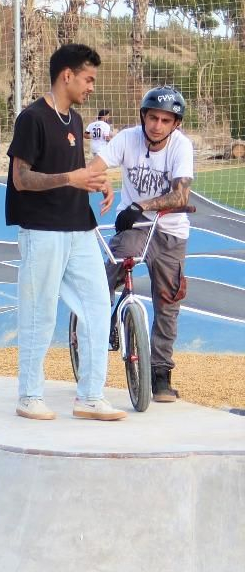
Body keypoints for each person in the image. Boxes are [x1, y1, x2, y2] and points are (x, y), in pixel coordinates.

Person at [4, 43, 124, 422]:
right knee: (39, 314)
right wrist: (72, 178)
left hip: (79, 228)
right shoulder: (32, 118)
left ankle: (90, 397)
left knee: (98, 307)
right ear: (67, 75)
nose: (91, 87)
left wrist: (96, 181)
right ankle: (29, 396)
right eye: (88, 79)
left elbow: (75, 173)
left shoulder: (74, 120)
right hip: (42, 232)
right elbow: (21, 179)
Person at [92, 86, 193, 403]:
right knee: (102, 281)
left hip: (170, 232)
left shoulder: (181, 147)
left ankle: (160, 376)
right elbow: (95, 167)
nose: (157, 125)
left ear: (175, 124)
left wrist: (141, 205)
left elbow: (181, 195)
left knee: (168, 303)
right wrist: (96, 181)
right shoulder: (127, 139)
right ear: (143, 117)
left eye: (166, 120)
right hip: (134, 227)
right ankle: (97, 331)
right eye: (153, 118)